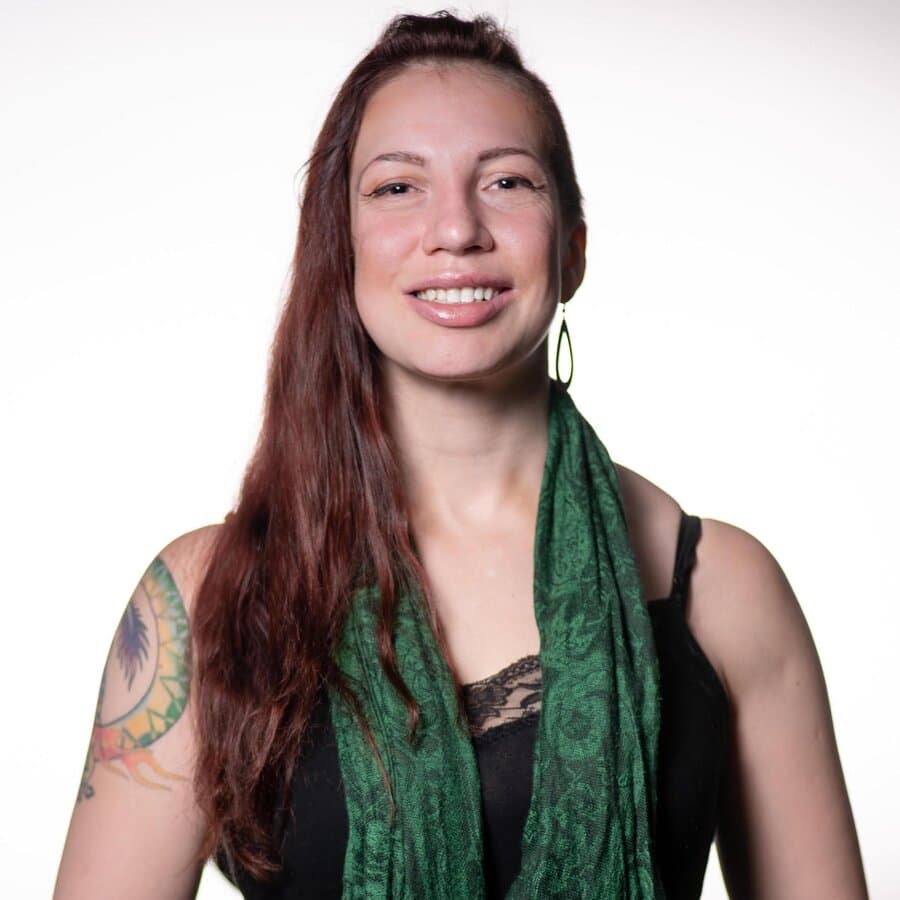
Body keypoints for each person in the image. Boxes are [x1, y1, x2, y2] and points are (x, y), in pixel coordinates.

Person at [54, 11, 867, 899]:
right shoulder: (205, 600)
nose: (455, 228)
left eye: (507, 181)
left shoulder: (723, 592)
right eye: (397, 187)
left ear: (573, 250)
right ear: (339, 248)